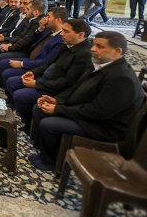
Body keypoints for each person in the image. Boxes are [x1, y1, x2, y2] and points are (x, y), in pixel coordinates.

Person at [30, 31, 145, 171]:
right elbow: (76, 87)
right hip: (90, 115)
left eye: (100, 46)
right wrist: (57, 100)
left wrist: (58, 110)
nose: (93, 49)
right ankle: (45, 153)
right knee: (39, 109)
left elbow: (97, 111)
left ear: (117, 51)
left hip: (104, 127)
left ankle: (52, 162)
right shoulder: (99, 63)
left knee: (49, 124)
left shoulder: (122, 78)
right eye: (93, 44)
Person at [9, 19, 92, 132]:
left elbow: (68, 82)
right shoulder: (67, 45)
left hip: (58, 90)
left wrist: (37, 84)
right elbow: (49, 64)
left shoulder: (84, 55)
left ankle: (30, 127)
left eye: (66, 31)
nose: (61, 34)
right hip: (47, 79)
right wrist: (34, 72)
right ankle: (28, 122)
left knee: (20, 96)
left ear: (80, 35)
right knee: (13, 82)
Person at [0, 6, 67, 89]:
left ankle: (12, 91)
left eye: (48, 16)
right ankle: (4, 86)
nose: (45, 19)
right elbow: (33, 41)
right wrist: (40, 29)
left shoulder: (61, 39)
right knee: (2, 63)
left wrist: (22, 64)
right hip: (31, 56)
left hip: (38, 65)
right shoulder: (49, 30)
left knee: (7, 73)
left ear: (58, 20)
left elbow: (46, 61)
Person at [0, 0, 45, 81]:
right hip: (16, 42)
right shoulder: (31, 19)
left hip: (25, 50)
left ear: (36, 12)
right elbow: (20, 35)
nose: (25, 10)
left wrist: (9, 47)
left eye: (28, 9)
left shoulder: (36, 22)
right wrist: (10, 43)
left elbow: (26, 40)